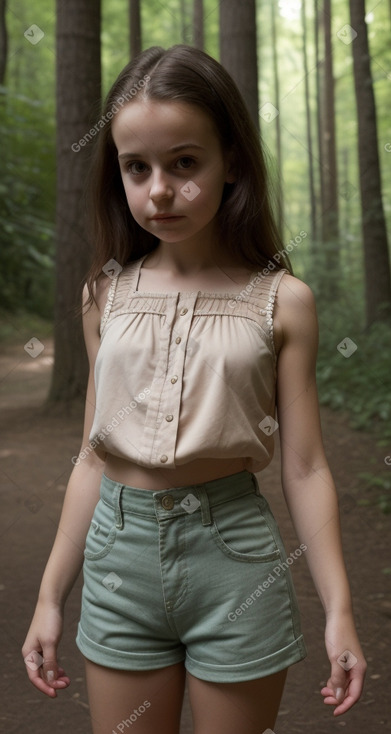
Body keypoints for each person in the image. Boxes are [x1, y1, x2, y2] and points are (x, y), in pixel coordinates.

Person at [22, 45, 366, 734]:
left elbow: (302, 466)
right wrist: (50, 594)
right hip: (117, 565)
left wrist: (339, 610)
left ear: (230, 161)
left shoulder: (283, 301)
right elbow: (93, 456)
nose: (159, 191)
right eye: (135, 167)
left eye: (185, 163)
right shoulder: (104, 296)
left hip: (235, 565)